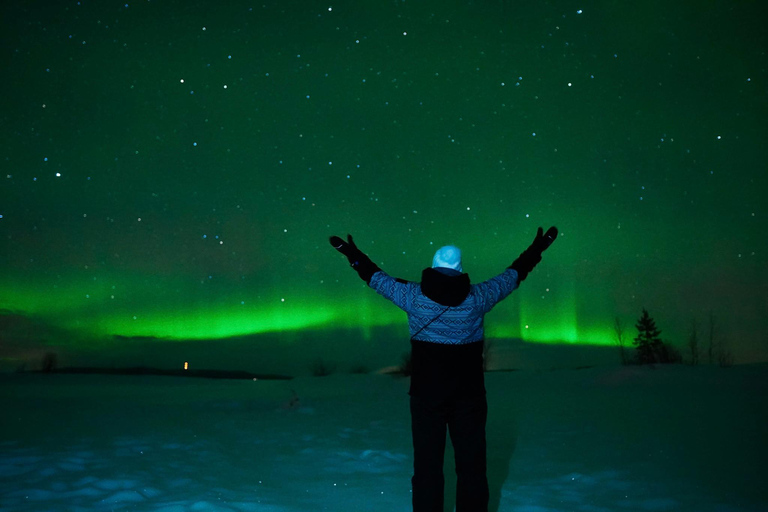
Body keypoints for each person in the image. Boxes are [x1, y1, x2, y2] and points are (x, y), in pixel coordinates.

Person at [329, 227, 558, 512]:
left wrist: (351, 252)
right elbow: (515, 274)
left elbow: (375, 277)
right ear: (460, 269)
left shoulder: (412, 296)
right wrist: (538, 247)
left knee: (427, 470)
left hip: (426, 398)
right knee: (472, 470)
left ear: (434, 266)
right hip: (469, 398)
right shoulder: (478, 298)